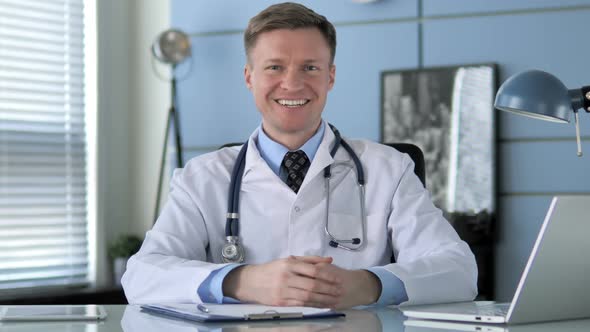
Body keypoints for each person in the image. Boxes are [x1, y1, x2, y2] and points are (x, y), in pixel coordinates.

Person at [122, 2, 477, 309]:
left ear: (330, 77)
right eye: (274, 67)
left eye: (310, 67)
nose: (292, 84)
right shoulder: (201, 178)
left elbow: (459, 271)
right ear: (249, 77)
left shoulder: (390, 169)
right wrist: (241, 282)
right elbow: (142, 276)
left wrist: (369, 284)